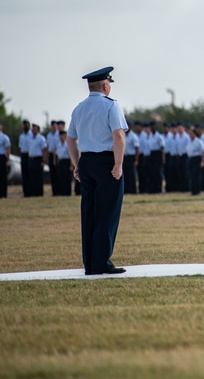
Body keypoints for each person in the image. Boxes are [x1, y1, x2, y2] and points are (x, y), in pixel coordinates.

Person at [66, 67, 127, 275]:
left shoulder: (79, 108)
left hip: (87, 161)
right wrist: (118, 165)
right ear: (105, 86)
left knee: (89, 213)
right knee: (107, 213)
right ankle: (102, 261)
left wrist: (76, 164)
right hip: (106, 162)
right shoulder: (111, 105)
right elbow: (118, 136)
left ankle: (90, 262)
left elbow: (70, 139)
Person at [187, 126, 204, 196]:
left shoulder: (198, 141)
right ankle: (192, 191)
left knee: (196, 176)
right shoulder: (189, 142)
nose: (190, 135)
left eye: (191, 134)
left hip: (197, 159)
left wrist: (202, 161)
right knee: (191, 175)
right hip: (190, 159)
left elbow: (203, 152)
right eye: (189, 134)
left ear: (195, 134)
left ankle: (197, 191)